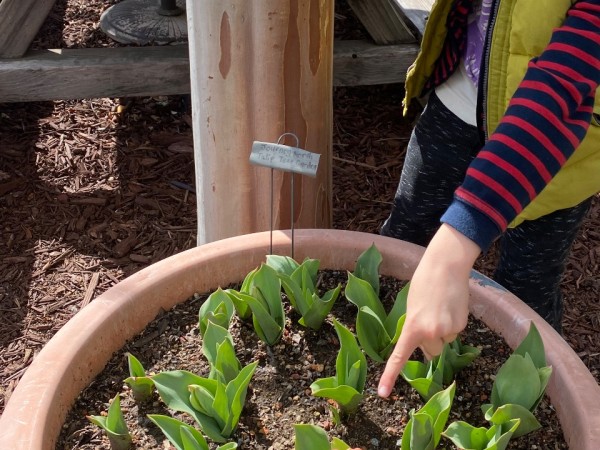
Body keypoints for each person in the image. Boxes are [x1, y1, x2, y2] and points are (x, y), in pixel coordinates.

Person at [376, 0, 600, 399]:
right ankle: (386, 350)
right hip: (457, 100)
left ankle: (522, 402)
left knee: (526, 292)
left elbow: (568, 78)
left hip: (557, 145)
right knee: (405, 235)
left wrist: (456, 242)